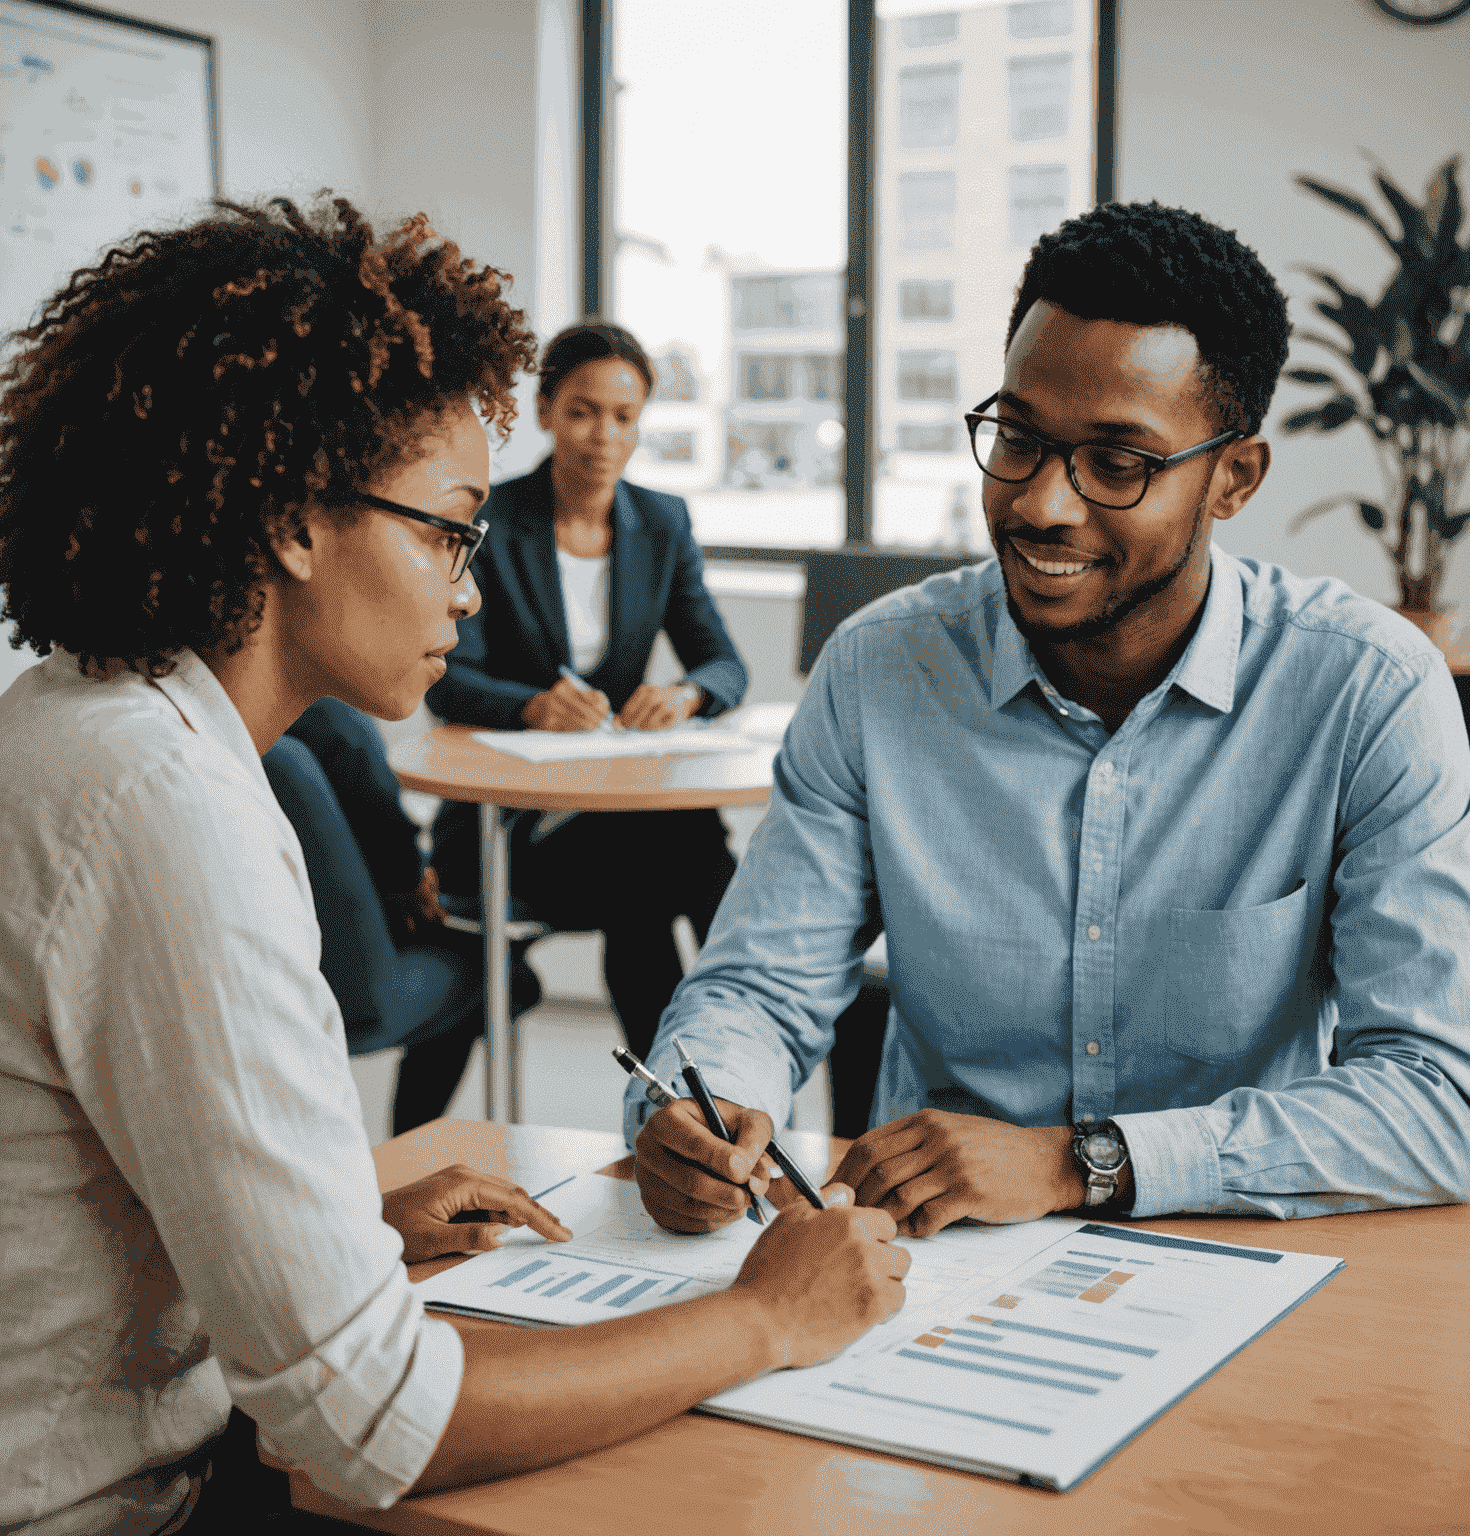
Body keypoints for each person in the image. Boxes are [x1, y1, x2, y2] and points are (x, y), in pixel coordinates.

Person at [0, 197, 908, 1536]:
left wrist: (343, 1213)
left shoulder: (80, 719)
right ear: (292, 521)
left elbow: (81, 1189)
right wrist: (761, 1319)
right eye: (445, 530)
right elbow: (376, 1424)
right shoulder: (168, 810)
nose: (469, 589)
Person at [625, 201, 1470, 1239]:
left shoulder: (1366, 692)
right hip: (932, 1267)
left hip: (1242, 1250)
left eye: (1117, 462)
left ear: (1235, 478)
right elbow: (762, 986)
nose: (1042, 503)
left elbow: (1441, 1100)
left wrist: (1081, 1163)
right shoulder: (879, 669)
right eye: (1020, 438)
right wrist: (702, 1100)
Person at [428, 319, 748, 1062]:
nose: (603, 434)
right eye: (582, 410)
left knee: (665, 866)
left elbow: (723, 663)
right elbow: (449, 679)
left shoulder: (662, 523)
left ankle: (708, 1063)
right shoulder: (490, 521)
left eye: (624, 416)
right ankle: (700, 1077)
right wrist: (533, 707)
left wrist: (688, 696)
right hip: (515, 827)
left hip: (622, 819)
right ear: (544, 412)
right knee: (685, 856)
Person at [263, 697, 543, 1135]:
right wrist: (411, 882)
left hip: (277, 971)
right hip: (356, 994)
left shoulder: (230, 730)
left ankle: (410, 1159)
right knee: (502, 970)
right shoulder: (330, 724)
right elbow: (398, 866)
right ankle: (412, 1156)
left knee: (484, 934)